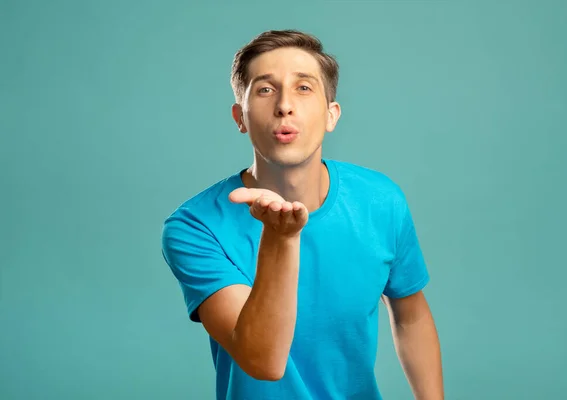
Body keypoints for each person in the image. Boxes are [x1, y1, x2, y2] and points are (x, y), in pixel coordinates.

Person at [161, 29, 443, 400]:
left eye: (304, 88)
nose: (284, 105)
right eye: (265, 89)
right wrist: (281, 238)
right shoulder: (195, 227)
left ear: (331, 114)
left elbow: (411, 315)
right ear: (240, 117)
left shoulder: (380, 200)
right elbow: (263, 361)